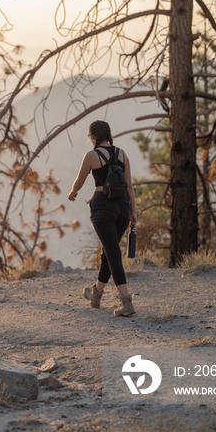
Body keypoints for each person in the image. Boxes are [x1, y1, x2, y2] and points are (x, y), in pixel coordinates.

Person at [67, 120, 137, 316]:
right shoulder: (122, 154)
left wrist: (73, 192)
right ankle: (96, 294)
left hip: (103, 207)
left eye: (90, 137)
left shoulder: (91, 155)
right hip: (123, 207)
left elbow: (79, 182)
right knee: (109, 251)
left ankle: (126, 303)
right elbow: (129, 186)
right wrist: (133, 211)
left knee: (112, 252)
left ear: (94, 137)